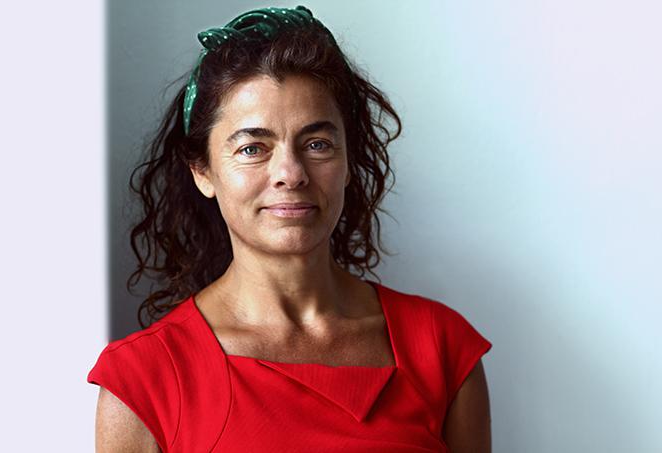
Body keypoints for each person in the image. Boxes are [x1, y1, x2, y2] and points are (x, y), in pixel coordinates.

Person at [87, 5, 492, 452]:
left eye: (317, 144)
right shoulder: (143, 381)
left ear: (349, 161)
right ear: (202, 171)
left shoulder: (442, 347)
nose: (291, 173)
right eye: (252, 148)